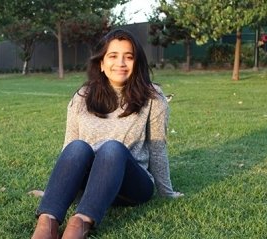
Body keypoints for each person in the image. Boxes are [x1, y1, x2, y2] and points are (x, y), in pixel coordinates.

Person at [31, 28, 183, 239]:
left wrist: (166, 192)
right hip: (90, 182)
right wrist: (53, 191)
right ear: (101, 63)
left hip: (132, 186)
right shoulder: (82, 97)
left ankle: (79, 224)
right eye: (113, 56)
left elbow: (158, 147)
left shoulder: (153, 97)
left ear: (136, 63)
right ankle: (46, 224)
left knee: (111, 148)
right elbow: (69, 149)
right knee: (77, 147)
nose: (120, 63)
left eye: (128, 57)